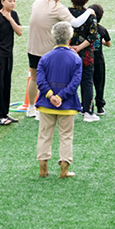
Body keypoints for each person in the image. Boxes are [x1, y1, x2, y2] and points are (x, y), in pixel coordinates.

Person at [26, 0, 93, 120]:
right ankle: (44, 107)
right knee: (48, 80)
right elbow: (75, 23)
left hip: (32, 47)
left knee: (34, 78)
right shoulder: (58, 7)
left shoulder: (37, 2)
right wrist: (90, 12)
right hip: (48, 51)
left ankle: (31, 107)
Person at [36, 21, 82, 179]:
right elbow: (75, 83)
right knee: (66, 136)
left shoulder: (45, 58)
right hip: (67, 105)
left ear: (53, 37)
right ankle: (64, 168)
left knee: (44, 135)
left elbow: (40, 80)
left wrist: (50, 95)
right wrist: (61, 97)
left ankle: (43, 167)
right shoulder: (76, 59)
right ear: (70, 38)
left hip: (46, 104)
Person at [91, 3, 111, 116]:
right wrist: (102, 42)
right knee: (99, 84)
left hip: (87, 60)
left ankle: (86, 105)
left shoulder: (85, 29)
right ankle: (100, 107)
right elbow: (108, 43)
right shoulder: (102, 29)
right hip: (99, 61)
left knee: (87, 83)